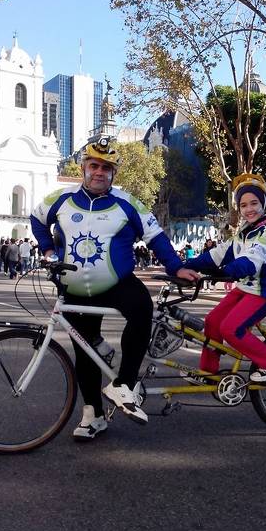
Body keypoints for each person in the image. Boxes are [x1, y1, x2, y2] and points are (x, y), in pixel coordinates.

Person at [31, 137, 198, 440]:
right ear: (83, 167)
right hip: (73, 289)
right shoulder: (61, 198)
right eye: (94, 165)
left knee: (142, 308)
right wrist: (47, 251)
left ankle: (124, 384)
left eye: (106, 168)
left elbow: (156, 237)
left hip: (116, 284)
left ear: (114, 173)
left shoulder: (127, 202)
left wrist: (176, 266)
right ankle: (93, 415)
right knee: (85, 353)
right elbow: (36, 218)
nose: (99, 172)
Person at [184, 173, 266, 383]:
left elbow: (255, 256)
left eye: (254, 203)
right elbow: (219, 253)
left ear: (264, 203)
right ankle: (209, 373)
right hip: (246, 287)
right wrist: (181, 266)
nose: (249, 209)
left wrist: (226, 271)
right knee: (213, 321)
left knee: (231, 328)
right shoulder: (244, 231)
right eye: (243, 205)